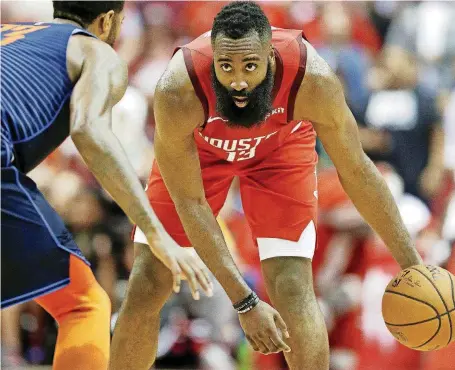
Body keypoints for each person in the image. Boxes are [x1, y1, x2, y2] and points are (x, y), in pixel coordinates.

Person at [110, 2, 424, 370]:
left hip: (279, 151)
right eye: (225, 67)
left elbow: (357, 170)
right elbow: (190, 201)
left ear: (271, 60)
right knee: (148, 280)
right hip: (200, 154)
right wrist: (244, 301)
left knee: (291, 287)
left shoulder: (312, 79)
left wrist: (412, 264)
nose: (238, 80)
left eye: (250, 66)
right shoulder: (179, 89)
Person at [0, 2, 211, 369]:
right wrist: (155, 232)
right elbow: (89, 130)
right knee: (83, 305)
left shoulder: (9, 35)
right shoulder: (95, 51)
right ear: (109, 20)